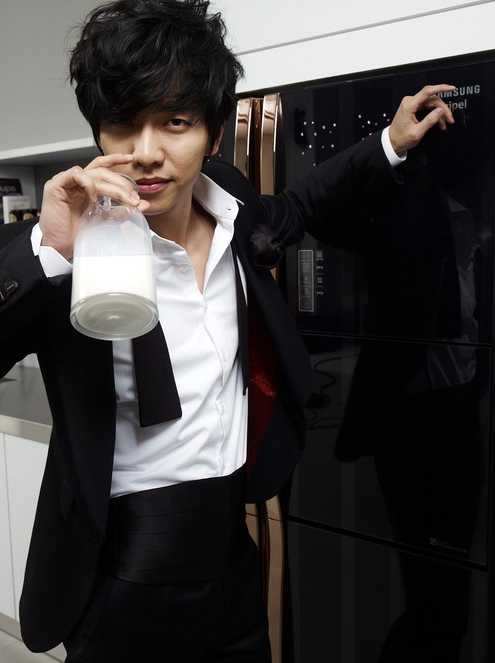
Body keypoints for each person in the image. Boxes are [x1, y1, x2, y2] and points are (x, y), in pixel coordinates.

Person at [0, 0, 455, 661]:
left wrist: (388, 143)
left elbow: (299, 204)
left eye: (174, 122)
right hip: (122, 581)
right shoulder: (70, 241)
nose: (145, 154)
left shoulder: (233, 203)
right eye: (122, 124)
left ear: (213, 134)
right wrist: (48, 248)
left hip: (234, 563)